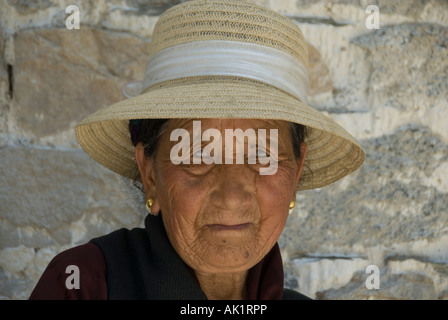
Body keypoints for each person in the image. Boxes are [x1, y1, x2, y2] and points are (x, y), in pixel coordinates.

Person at [30, 0, 364, 300]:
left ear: (296, 170)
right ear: (149, 174)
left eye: (261, 155)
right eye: (197, 155)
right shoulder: (84, 285)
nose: (232, 196)